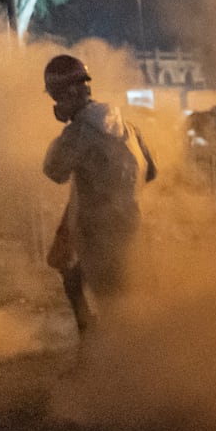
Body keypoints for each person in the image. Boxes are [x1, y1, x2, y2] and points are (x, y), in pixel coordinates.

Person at [42, 54, 157, 334]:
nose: (56, 105)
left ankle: (112, 353)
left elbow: (54, 171)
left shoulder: (78, 134)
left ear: (70, 93)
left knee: (115, 307)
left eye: (57, 97)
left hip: (100, 237)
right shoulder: (129, 128)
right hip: (135, 228)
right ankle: (97, 343)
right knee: (81, 281)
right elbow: (151, 171)